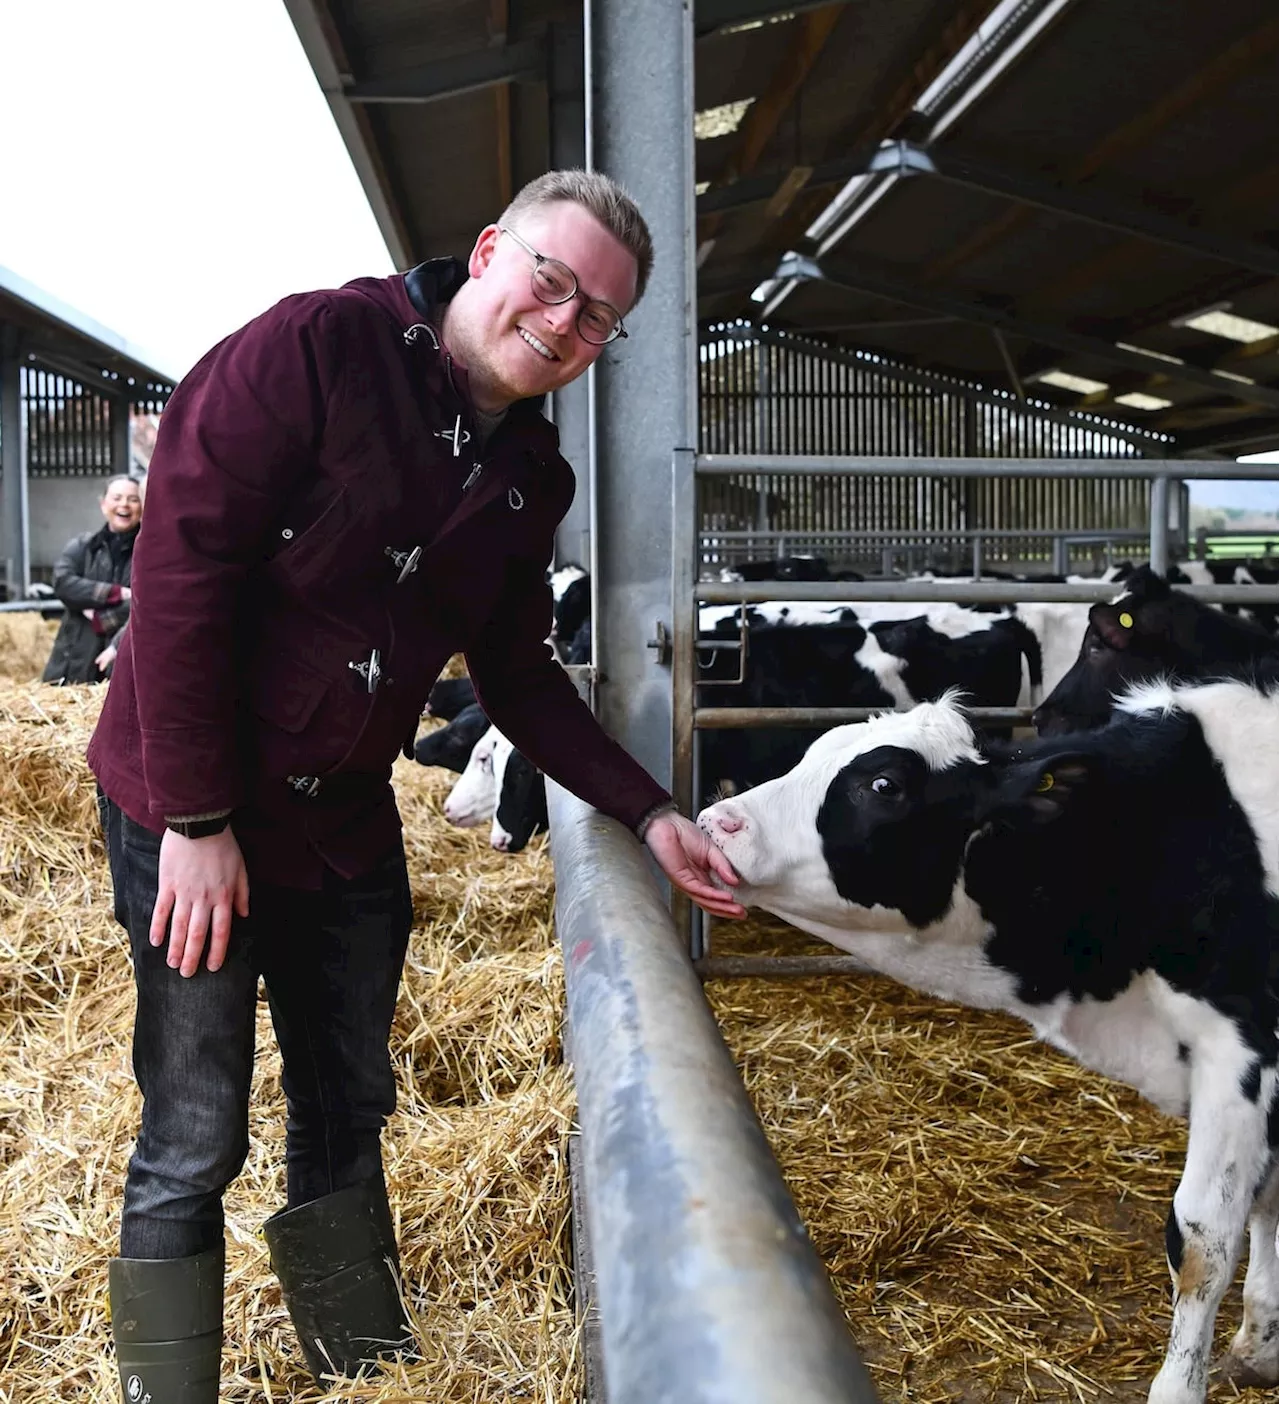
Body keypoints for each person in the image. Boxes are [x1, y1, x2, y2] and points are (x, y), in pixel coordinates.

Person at [86, 168, 744, 1403]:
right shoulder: (316, 348)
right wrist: (194, 819)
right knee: (194, 1130)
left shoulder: (525, 481)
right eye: (551, 282)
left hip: (337, 824)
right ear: (491, 250)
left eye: (597, 317)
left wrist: (648, 809)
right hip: (195, 807)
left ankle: (360, 1377)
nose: (562, 323)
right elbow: (180, 572)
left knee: (348, 1105)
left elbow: (517, 675)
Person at [40, 475, 141, 684]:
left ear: (142, 506)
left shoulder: (149, 552)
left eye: (133, 499)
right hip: (73, 661)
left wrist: (98, 617)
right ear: (103, 504)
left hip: (120, 658)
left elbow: (146, 603)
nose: (124, 504)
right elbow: (62, 582)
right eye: (117, 497)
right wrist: (116, 593)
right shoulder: (83, 546)